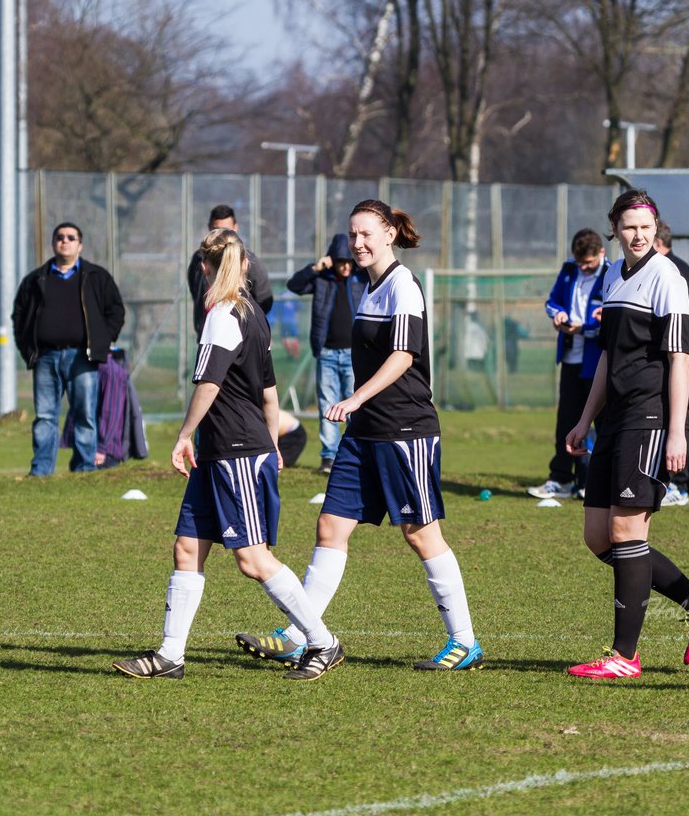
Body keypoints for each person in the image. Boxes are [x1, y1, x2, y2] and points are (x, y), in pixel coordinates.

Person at [236, 199, 483, 671]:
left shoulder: (402, 285)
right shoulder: (368, 289)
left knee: (420, 533)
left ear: (390, 233)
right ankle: (299, 634)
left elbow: (403, 356)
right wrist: (358, 409)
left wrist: (355, 399)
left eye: (367, 233)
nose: (358, 243)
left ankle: (464, 641)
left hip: (404, 428)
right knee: (330, 526)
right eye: (353, 235)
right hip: (364, 433)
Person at [113, 229, 343, 681]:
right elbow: (270, 393)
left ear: (205, 269)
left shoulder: (224, 315)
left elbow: (209, 385)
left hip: (236, 451)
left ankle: (322, 642)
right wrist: (274, 442)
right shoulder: (254, 313)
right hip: (223, 452)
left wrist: (183, 435)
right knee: (187, 548)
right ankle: (170, 655)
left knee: (252, 560)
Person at [565, 189, 689, 680]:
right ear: (614, 227)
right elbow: (609, 356)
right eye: (629, 227)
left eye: (646, 227)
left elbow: (679, 361)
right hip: (613, 418)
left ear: (656, 230)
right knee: (598, 537)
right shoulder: (612, 274)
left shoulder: (668, 278)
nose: (638, 235)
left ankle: (624, 656)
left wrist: (677, 432)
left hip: (649, 417)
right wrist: (585, 417)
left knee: (626, 532)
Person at [12, 222, 125, 475]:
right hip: (46, 357)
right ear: (53, 243)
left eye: (71, 237)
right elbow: (19, 315)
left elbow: (116, 311)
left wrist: (101, 342)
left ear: (80, 245)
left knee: (85, 414)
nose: (65, 241)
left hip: (82, 357)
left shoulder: (97, 277)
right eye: (60, 237)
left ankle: (85, 467)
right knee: (45, 416)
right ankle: (41, 470)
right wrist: (28, 348)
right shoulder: (35, 279)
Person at [528, 228, 609, 500]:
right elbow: (552, 302)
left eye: (588, 263)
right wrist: (559, 315)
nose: (584, 268)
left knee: (598, 423)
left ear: (601, 253)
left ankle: (590, 481)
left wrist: (584, 328)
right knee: (566, 421)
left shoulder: (611, 275)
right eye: (580, 263)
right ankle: (561, 479)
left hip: (596, 362)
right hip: (570, 361)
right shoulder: (568, 270)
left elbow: (609, 320)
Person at [286, 232, 364, 474]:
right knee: (327, 405)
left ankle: (356, 455)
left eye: (348, 261)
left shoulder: (361, 279)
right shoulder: (322, 279)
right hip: (327, 353)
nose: (345, 266)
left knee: (355, 405)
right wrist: (315, 268)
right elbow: (294, 285)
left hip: (354, 354)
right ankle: (329, 458)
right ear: (332, 260)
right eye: (340, 261)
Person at [654, 220, 689, 506]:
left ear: (657, 241)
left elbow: (682, 318)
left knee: (678, 416)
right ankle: (663, 480)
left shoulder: (673, 271)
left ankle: (678, 484)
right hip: (661, 355)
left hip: (672, 353)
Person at [187, 205, 273, 335]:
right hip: (207, 333)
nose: (221, 234)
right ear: (209, 228)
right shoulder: (199, 259)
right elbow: (196, 291)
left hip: (237, 336)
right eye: (216, 229)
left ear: (235, 228)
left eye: (226, 230)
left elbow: (264, 298)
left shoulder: (247, 260)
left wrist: (246, 324)